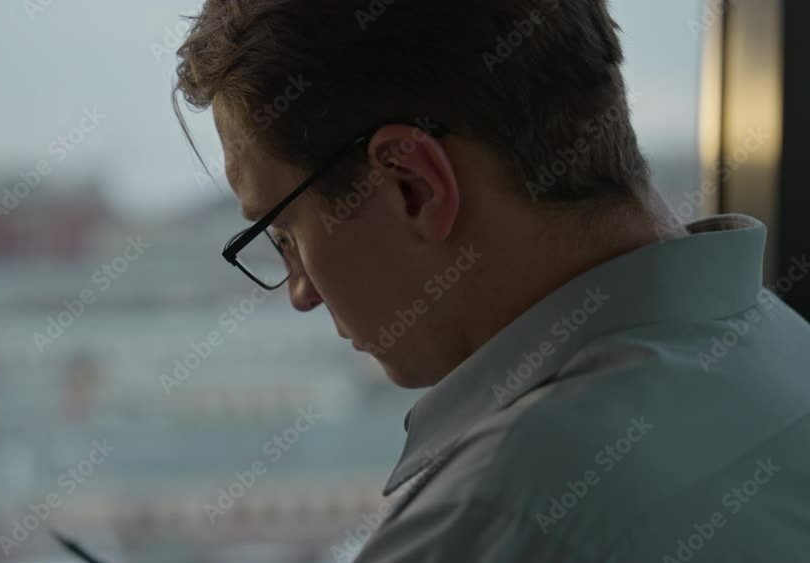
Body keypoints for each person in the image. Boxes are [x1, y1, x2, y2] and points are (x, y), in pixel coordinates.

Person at [171, 0, 810, 560]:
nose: (301, 293)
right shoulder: (784, 348)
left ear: (411, 187)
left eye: (284, 232)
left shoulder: (490, 520)